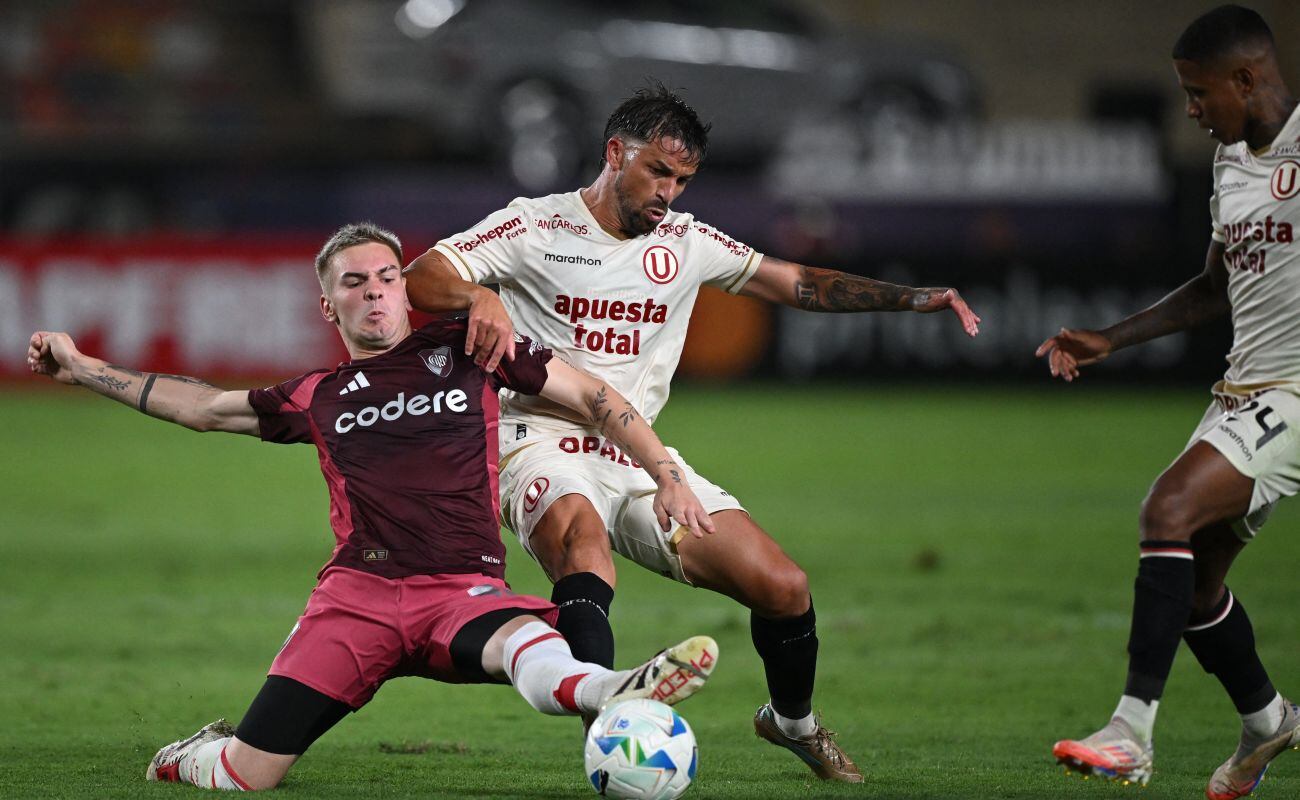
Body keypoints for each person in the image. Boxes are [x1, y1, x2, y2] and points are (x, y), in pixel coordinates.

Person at [402, 85, 981, 782]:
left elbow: (793, 282)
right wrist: (479, 293)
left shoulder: (687, 242)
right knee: (582, 542)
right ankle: (611, 729)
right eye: (659, 173)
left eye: (681, 181)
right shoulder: (534, 226)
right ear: (616, 154)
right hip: (537, 439)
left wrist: (913, 298)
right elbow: (423, 278)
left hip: (639, 453)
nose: (668, 194)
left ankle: (790, 722)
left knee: (784, 586)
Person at [26, 222, 720, 792]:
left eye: (387, 277)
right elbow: (203, 407)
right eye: (354, 283)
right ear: (330, 307)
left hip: (461, 591)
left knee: (529, 646)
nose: (376, 292)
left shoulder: (468, 348)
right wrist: (80, 367)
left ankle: (609, 691)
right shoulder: (317, 394)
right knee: (249, 774)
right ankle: (188, 757)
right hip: (358, 597)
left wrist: (665, 472)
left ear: (405, 290)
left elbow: (595, 398)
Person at [1038, 7, 1300, 797]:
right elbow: (1214, 288)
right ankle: (1268, 720)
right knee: (1193, 588)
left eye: (1198, 92)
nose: (1190, 109)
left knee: (1167, 508)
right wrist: (1111, 340)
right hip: (1243, 388)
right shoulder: (1230, 164)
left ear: (1246, 79)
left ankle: (1131, 732)